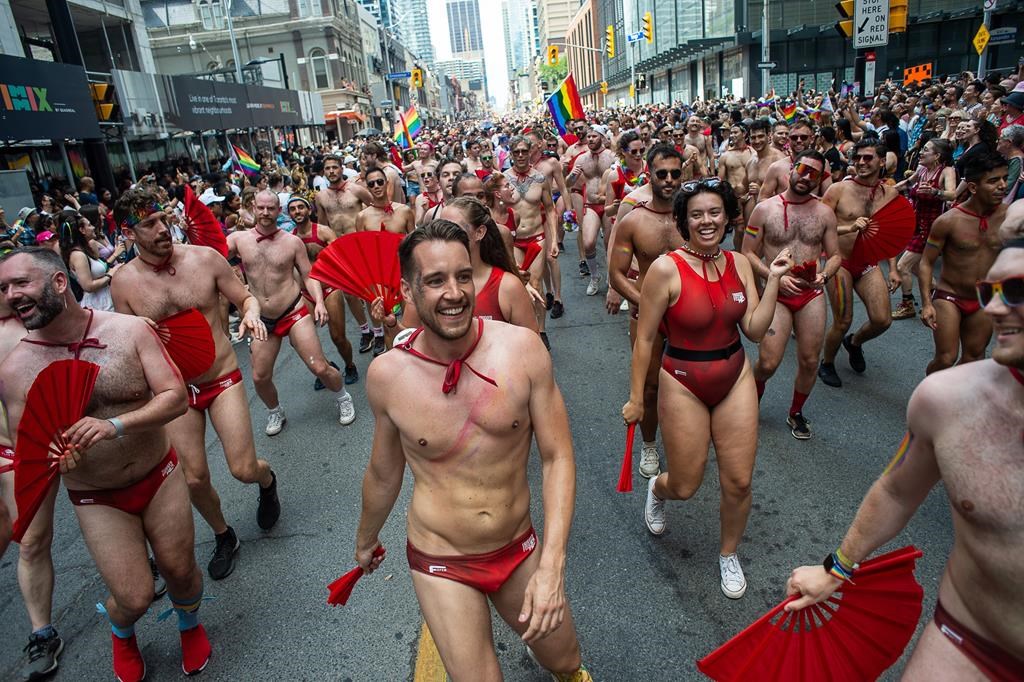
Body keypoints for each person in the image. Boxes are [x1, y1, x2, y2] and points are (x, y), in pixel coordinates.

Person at [353, 221, 591, 681]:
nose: (455, 292)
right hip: (441, 557)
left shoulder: (522, 350)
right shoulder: (387, 375)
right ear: (408, 289)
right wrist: (365, 540)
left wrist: (552, 567)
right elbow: (384, 474)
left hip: (518, 547)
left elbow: (558, 457)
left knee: (565, 661)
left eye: (464, 276)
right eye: (436, 280)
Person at [784, 238, 1024, 680]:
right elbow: (896, 491)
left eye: (1018, 291)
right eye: (990, 292)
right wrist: (835, 569)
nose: (995, 309)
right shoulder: (948, 400)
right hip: (967, 642)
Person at [0, 247, 211, 682]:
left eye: (20, 283)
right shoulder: (16, 368)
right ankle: (122, 630)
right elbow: (33, 446)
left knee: (181, 572)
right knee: (132, 596)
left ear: (60, 282)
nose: (10, 296)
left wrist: (114, 425)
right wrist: (59, 457)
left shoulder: (129, 331)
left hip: (159, 473)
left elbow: (173, 397)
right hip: (95, 495)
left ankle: (190, 624)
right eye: (3, 289)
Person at [622, 178, 793, 599]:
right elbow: (645, 339)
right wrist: (634, 398)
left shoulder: (738, 262)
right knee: (685, 484)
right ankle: (656, 490)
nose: (706, 221)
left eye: (714, 212)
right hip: (682, 381)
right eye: (696, 214)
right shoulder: (665, 269)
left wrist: (772, 280)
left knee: (738, 482)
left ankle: (728, 553)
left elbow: (754, 329)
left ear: (727, 216)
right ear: (684, 221)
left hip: (734, 376)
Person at [110, 187, 281, 581]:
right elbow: (126, 348)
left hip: (220, 378)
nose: (161, 229)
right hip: (174, 393)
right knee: (193, 477)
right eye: (148, 224)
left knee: (241, 468)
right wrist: (140, 334)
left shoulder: (205, 259)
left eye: (162, 218)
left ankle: (267, 480)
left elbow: (245, 298)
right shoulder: (123, 284)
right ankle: (224, 535)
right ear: (127, 232)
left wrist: (252, 315)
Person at [227, 190, 356, 435]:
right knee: (259, 376)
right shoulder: (238, 240)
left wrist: (318, 301)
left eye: (271, 208)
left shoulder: (291, 242)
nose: (265, 213)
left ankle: (342, 397)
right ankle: (275, 411)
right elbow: (214, 256)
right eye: (261, 208)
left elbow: (309, 275)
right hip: (263, 319)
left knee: (319, 367)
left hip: (293, 311)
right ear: (253, 208)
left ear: (278, 211)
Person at [742, 150, 842, 439]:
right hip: (777, 293)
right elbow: (747, 252)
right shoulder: (765, 209)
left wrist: (825, 274)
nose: (807, 176)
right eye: (803, 169)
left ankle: (796, 412)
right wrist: (773, 277)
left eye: (815, 173)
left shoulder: (824, 212)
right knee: (769, 362)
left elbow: (835, 256)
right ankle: (748, 402)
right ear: (791, 170)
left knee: (811, 360)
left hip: (811, 294)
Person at [607, 144, 684, 478]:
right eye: (661, 173)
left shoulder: (695, 217)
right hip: (646, 316)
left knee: (688, 383)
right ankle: (650, 444)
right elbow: (617, 274)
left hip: (687, 316)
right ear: (648, 174)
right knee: (649, 387)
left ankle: (686, 437)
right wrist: (642, 302)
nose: (668, 180)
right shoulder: (634, 220)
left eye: (675, 173)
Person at [818, 140, 900, 388]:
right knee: (842, 320)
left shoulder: (890, 194)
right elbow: (819, 226)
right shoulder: (838, 190)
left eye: (868, 158)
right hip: (838, 262)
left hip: (866, 263)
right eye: (858, 158)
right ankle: (827, 362)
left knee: (882, 320)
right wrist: (849, 227)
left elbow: (889, 235)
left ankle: (854, 343)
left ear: (881, 161)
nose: (862, 162)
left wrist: (894, 268)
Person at [919, 154, 1008, 374]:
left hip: (987, 296)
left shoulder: (1012, 216)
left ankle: (956, 402)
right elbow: (926, 263)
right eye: (994, 180)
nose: (1003, 185)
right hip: (950, 296)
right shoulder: (948, 221)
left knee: (974, 358)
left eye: (1004, 178)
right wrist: (926, 303)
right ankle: (929, 396)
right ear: (973, 187)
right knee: (946, 358)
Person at [288, 195, 360, 385]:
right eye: (293, 209)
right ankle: (326, 367)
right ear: (289, 213)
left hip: (329, 289)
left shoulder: (324, 232)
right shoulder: (289, 239)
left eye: (300, 207)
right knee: (304, 340)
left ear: (309, 210)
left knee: (337, 336)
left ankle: (350, 365)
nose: (297, 211)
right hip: (305, 293)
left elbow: (341, 257)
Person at [315, 153, 376, 354]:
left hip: (361, 248)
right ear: (324, 172)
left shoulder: (356, 190)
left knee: (369, 293)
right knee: (350, 295)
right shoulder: (321, 196)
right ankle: (365, 331)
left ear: (342, 169)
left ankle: (379, 333)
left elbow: (375, 210)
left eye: (334, 167)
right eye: (327, 169)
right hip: (339, 250)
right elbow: (323, 224)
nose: (331, 171)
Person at [892, 138, 957, 320]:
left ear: (937, 156)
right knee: (918, 268)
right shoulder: (921, 170)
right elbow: (905, 184)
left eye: (926, 150)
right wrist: (884, 191)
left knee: (903, 265)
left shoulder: (946, 171)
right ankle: (936, 292)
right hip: (916, 224)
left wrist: (937, 192)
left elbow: (953, 193)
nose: (920, 152)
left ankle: (907, 305)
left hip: (932, 228)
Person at [505, 136, 558, 348]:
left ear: (530, 153)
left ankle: (541, 331)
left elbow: (551, 210)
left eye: (523, 151)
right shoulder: (502, 179)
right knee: (519, 287)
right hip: (514, 241)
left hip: (537, 238)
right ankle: (524, 330)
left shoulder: (540, 178)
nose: (520, 155)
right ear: (510, 154)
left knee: (536, 285)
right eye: (516, 152)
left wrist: (553, 240)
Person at [566, 126, 615, 297]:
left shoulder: (611, 157)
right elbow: (568, 183)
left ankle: (613, 279)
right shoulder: (581, 159)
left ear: (602, 137)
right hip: (591, 204)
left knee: (610, 244)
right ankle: (595, 276)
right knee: (588, 243)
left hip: (609, 204)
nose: (591, 139)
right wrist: (573, 175)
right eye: (589, 137)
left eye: (594, 136)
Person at [59, 212, 117, 311]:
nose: (94, 227)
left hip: (106, 299)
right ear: (82, 230)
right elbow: (88, 286)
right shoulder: (78, 255)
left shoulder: (86, 250)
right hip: (99, 305)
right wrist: (110, 274)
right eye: (89, 225)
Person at [743, 119, 787, 226]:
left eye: (761, 136)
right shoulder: (751, 161)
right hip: (753, 222)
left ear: (769, 135)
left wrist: (763, 192)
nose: (757, 141)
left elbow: (788, 195)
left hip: (773, 219)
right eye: (753, 137)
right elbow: (744, 189)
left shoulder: (779, 160)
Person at [718, 123, 754, 249]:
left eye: (735, 132)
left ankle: (749, 254)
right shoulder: (726, 156)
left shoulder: (753, 153)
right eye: (731, 133)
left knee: (752, 229)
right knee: (739, 229)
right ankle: (739, 255)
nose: (732, 135)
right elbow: (720, 181)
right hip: (735, 197)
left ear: (744, 134)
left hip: (751, 196)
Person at [355, 167, 415, 235]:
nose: (376, 186)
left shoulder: (404, 211)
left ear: (386, 183)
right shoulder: (362, 217)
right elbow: (361, 244)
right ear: (368, 188)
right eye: (371, 184)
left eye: (380, 182)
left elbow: (414, 242)